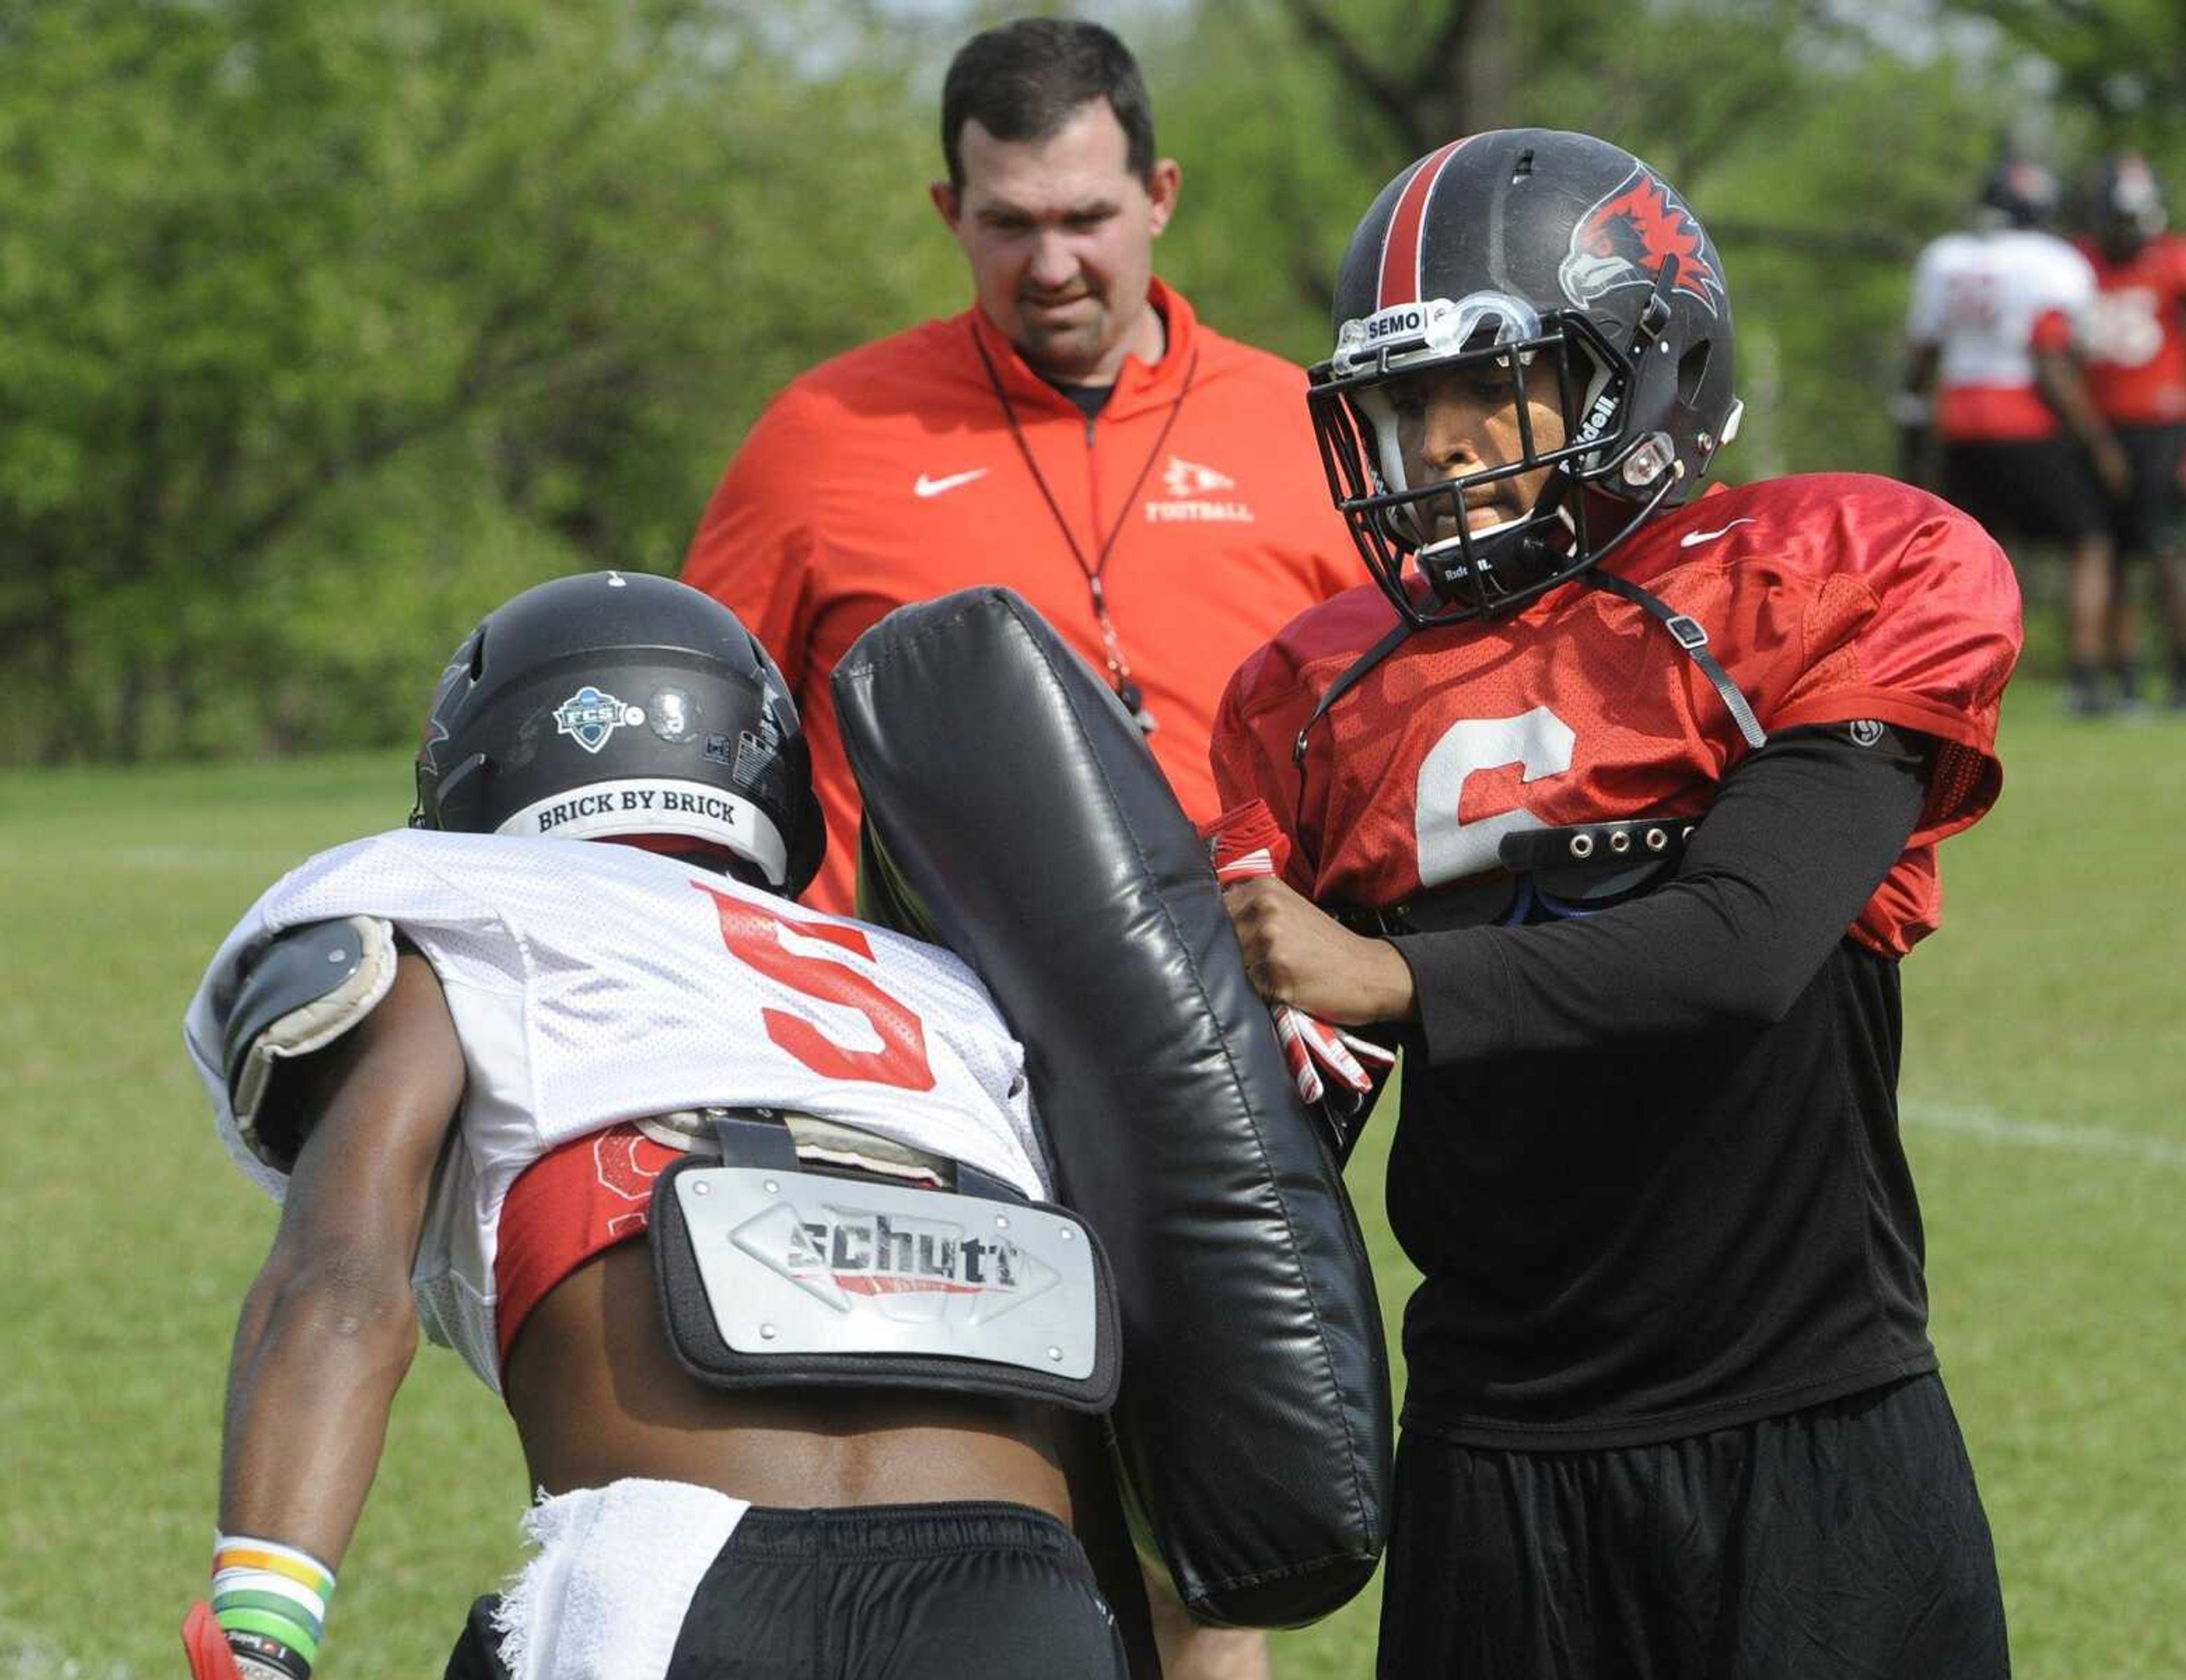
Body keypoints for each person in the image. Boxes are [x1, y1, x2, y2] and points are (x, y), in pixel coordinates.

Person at [1210, 129, 2020, 1677]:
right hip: (1493, 1453)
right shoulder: (1317, 692)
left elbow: (1745, 946)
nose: (1434, 447)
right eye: (1399, 405)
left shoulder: (1830, 571)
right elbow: (1273, 1130)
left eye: (1481, 391)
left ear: (1636, 365)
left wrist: (1391, 981)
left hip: (1810, 1428)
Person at [178, 572, 1152, 1680]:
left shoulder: (454, 900)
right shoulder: (947, 989)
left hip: (681, 1580)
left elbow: (341, 1285)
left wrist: (256, 1639)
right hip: (1030, 1597)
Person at [683, 17, 1355, 925]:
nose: (1051, 267)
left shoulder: (1307, 428)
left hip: (1236, 1011)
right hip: (909, 1024)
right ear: (949, 211)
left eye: (1085, 220)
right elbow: (698, 738)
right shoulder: (820, 433)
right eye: (1009, 223)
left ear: (1158, 196)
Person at [1903, 157, 2129, 715]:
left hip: (1959, 420)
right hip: (2025, 418)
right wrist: (2098, 440)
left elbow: (1925, 352)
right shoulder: (2056, 263)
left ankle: (1954, 677)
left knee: (1971, 555)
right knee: (2090, 541)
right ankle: (2085, 679)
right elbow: (2051, 358)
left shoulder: (1947, 258)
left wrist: (1910, 417)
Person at [2076, 150, 2186, 709]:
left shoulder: (2174, 261)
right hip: (2099, 426)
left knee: (2166, 553)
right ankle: (2119, 677)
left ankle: (2179, 674)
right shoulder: (2080, 263)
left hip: (2163, 426)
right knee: (2112, 554)